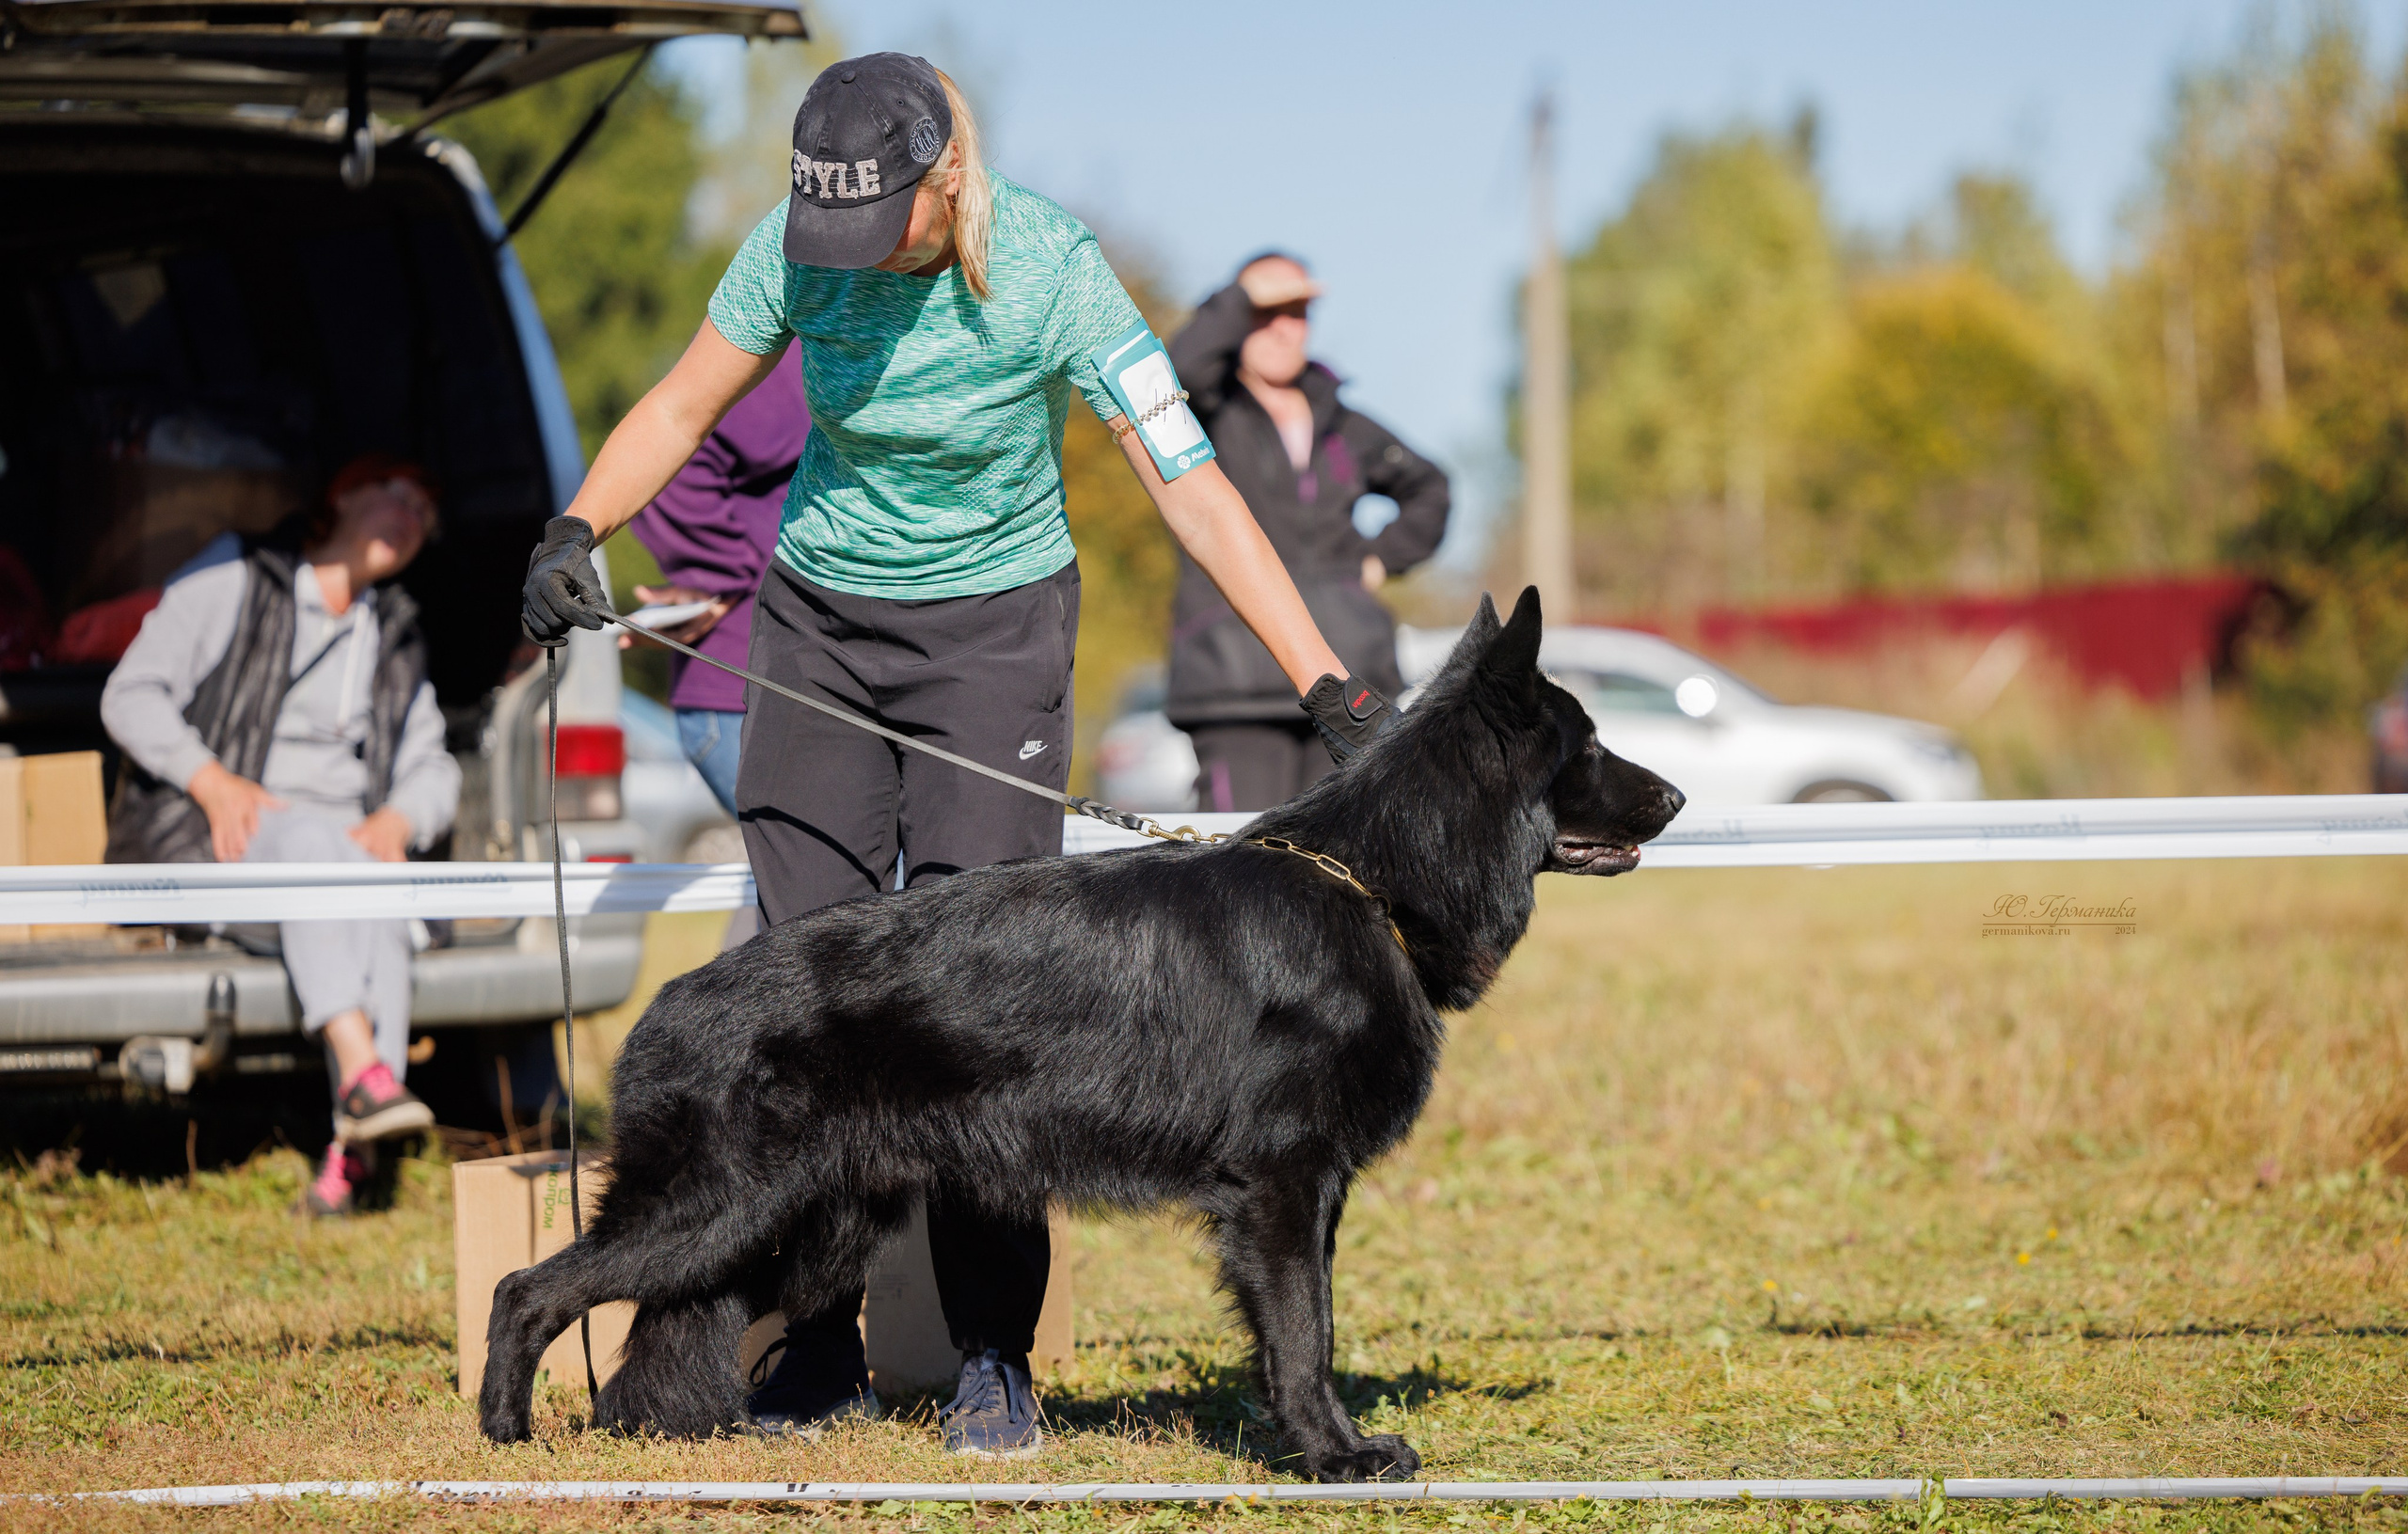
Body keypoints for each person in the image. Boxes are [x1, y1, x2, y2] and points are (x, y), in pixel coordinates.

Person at [516, 54, 1392, 1458]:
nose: (852, 254)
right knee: (812, 990)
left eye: (883, 223)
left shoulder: (1053, 270)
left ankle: (994, 1354)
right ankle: (816, 1342)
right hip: (818, 622)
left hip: (994, 635)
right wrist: (578, 527)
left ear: (948, 176)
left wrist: (1325, 682)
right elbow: (681, 406)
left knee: (989, 1000)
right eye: (831, 227)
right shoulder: (793, 248)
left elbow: (1191, 484)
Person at [101, 454, 458, 1217]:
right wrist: (211, 780)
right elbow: (128, 695)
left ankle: (352, 1155)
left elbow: (436, 767)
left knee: (378, 887)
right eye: (397, 494)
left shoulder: (393, 631)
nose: (411, 518)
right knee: (311, 847)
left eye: (426, 513)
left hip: (343, 853)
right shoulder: (239, 575)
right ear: (344, 494)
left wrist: (398, 818)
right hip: (233, 839)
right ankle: (365, 1076)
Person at [1165, 254, 1450, 811]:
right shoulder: (1206, 412)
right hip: (1235, 679)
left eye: (1296, 312)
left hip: (1348, 678)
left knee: (1344, 855)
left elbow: (1431, 488)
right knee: (1242, 854)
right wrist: (1241, 294)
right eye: (1265, 312)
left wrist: (1379, 560)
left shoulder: (1344, 425)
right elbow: (1176, 370)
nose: (1282, 329)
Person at [622, 340, 809, 816]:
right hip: (749, 697)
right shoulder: (801, 354)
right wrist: (717, 576)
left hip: (780, 692)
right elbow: (671, 440)